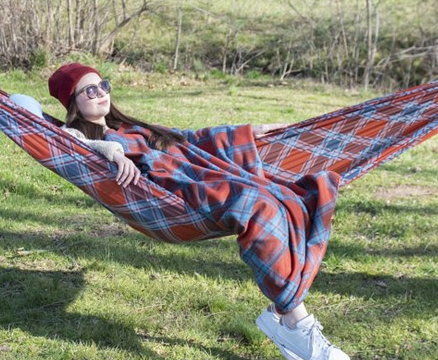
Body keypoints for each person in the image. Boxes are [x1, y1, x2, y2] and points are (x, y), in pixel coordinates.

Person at [48, 62, 349, 360]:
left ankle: (289, 317)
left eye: (104, 85)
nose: (101, 92)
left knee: (294, 199)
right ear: (73, 102)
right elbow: (74, 143)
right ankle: (294, 323)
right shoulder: (80, 138)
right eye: (90, 90)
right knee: (257, 205)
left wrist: (249, 133)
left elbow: (187, 139)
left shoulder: (131, 128)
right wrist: (114, 153)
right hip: (172, 202)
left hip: (201, 182)